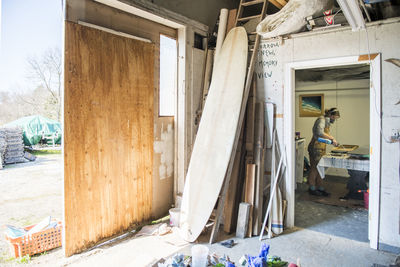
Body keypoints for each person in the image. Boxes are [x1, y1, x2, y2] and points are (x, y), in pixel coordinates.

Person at [307, 107, 340, 196]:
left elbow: (323, 137)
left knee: (320, 168)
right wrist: (332, 138)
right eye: (334, 117)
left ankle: (320, 187)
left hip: (320, 146)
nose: (334, 120)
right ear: (330, 115)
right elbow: (319, 133)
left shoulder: (326, 121)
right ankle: (312, 188)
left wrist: (331, 142)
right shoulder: (321, 120)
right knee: (315, 167)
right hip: (315, 147)